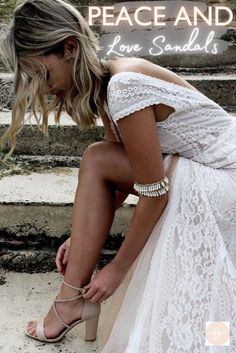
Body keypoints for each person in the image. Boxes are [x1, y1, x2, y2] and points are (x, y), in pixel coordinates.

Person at [1, 0, 236, 351]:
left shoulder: (125, 85)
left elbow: (154, 192)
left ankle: (69, 303)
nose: (45, 90)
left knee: (95, 158)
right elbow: (119, 178)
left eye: (43, 75)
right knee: (99, 158)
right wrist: (82, 238)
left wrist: (117, 269)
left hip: (226, 177)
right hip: (207, 171)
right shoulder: (110, 84)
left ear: (69, 47)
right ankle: (71, 302)